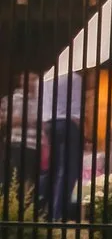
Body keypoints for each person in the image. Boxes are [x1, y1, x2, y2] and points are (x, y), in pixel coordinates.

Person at [33, 68, 83, 220]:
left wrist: (44, 132)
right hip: (68, 123)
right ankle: (57, 214)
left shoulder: (45, 79)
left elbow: (41, 107)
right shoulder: (75, 78)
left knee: (51, 170)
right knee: (67, 170)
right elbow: (76, 109)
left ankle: (41, 209)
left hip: (49, 125)